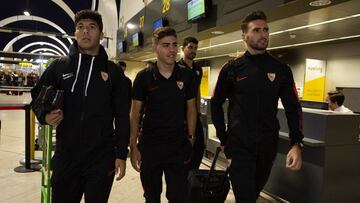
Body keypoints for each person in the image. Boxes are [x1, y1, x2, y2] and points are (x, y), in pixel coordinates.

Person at [31, 9, 130, 203]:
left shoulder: (114, 72)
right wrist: (44, 115)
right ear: (75, 33)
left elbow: (121, 116)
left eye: (92, 27)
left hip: (101, 159)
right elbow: (37, 96)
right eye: (81, 27)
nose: (86, 32)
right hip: (66, 156)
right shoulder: (60, 66)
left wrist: (121, 154)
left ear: (101, 35)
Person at [211, 10, 304, 203]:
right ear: (244, 35)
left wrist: (296, 143)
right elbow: (216, 103)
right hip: (239, 147)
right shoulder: (232, 69)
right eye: (256, 30)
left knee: (251, 196)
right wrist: (223, 139)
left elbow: (293, 107)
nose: (263, 34)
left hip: (267, 146)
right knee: (245, 197)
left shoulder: (281, 70)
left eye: (266, 30)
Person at [130, 27, 197, 203]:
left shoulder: (187, 76)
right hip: (150, 147)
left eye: (174, 45)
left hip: (178, 147)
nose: (172, 50)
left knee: (177, 196)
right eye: (166, 45)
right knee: (151, 197)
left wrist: (191, 137)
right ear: (155, 47)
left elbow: (191, 108)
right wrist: (133, 146)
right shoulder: (143, 77)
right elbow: (135, 113)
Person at [177, 36, 205, 170]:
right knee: (183, 147)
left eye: (195, 48)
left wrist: (198, 111)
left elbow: (197, 91)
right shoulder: (176, 68)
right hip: (180, 116)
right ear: (183, 49)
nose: (193, 50)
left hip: (195, 115)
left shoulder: (198, 69)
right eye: (190, 47)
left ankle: (192, 174)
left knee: (199, 146)